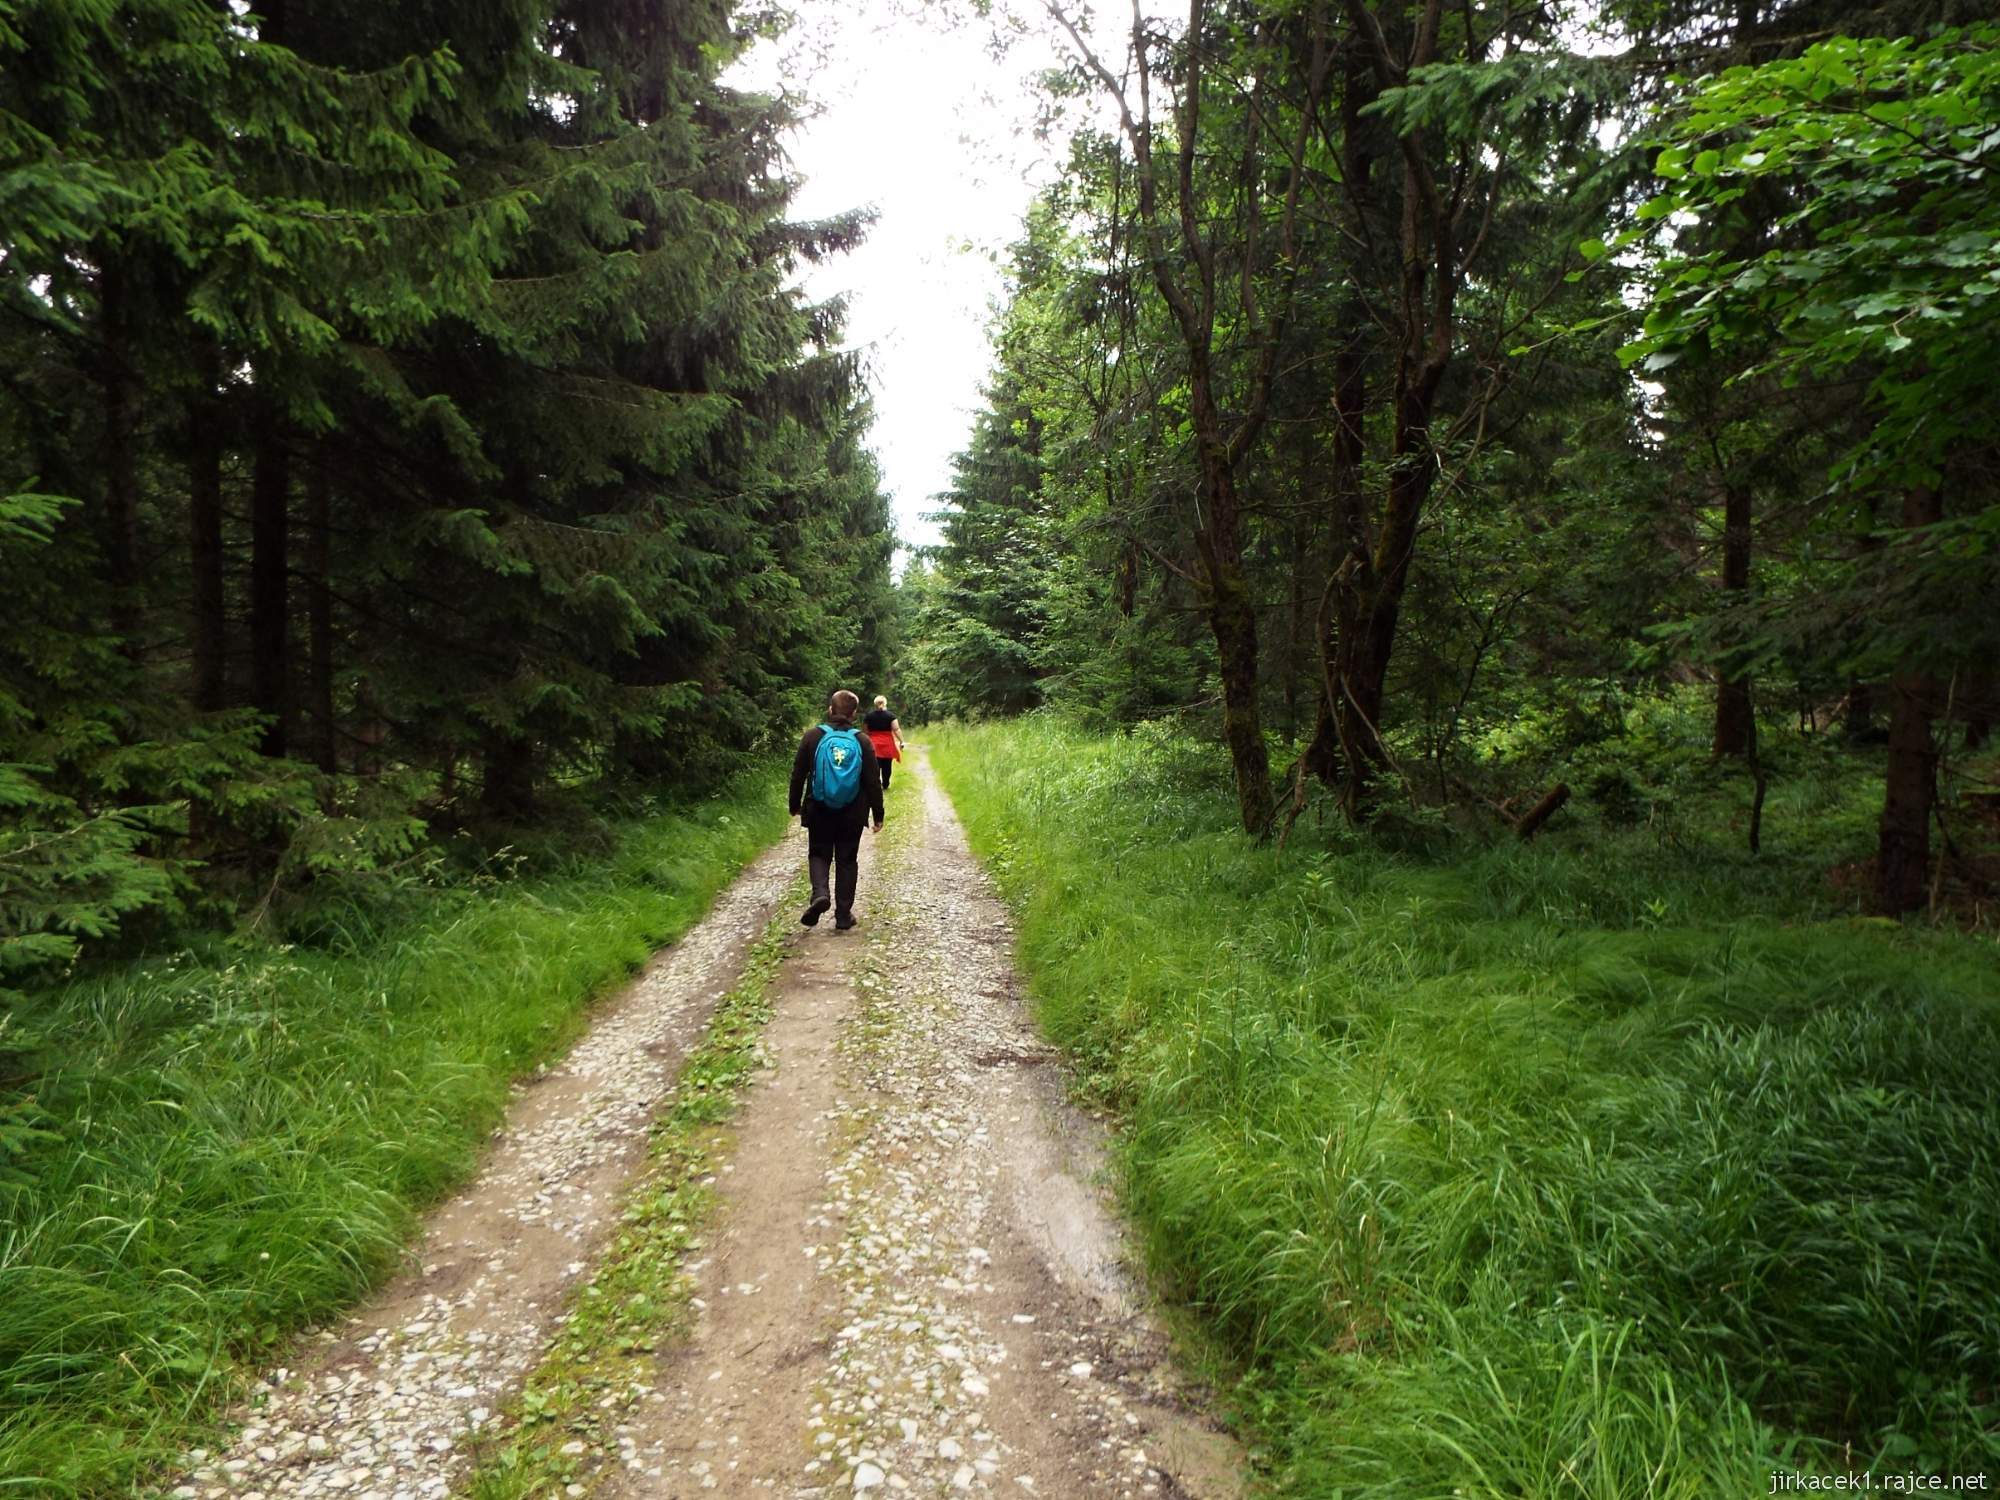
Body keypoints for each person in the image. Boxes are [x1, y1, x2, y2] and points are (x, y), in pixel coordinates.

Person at [789, 690, 885, 930]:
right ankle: (843, 916)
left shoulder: (812, 736)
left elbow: (798, 773)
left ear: (830, 710)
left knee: (818, 854)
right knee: (847, 860)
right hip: (852, 812)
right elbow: (873, 781)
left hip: (819, 808)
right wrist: (878, 815)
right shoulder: (862, 741)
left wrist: (795, 804)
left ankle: (820, 893)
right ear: (854, 714)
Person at [863, 695, 907, 791]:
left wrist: (864, 743)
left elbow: (865, 731)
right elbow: (896, 729)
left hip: (874, 743)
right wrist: (901, 741)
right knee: (887, 765)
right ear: (885, 703)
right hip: (887, 743)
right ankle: (885, 783)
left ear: (875, 704)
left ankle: (876, 784)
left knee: (875, 765)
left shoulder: (869, 716)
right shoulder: (891, 716)